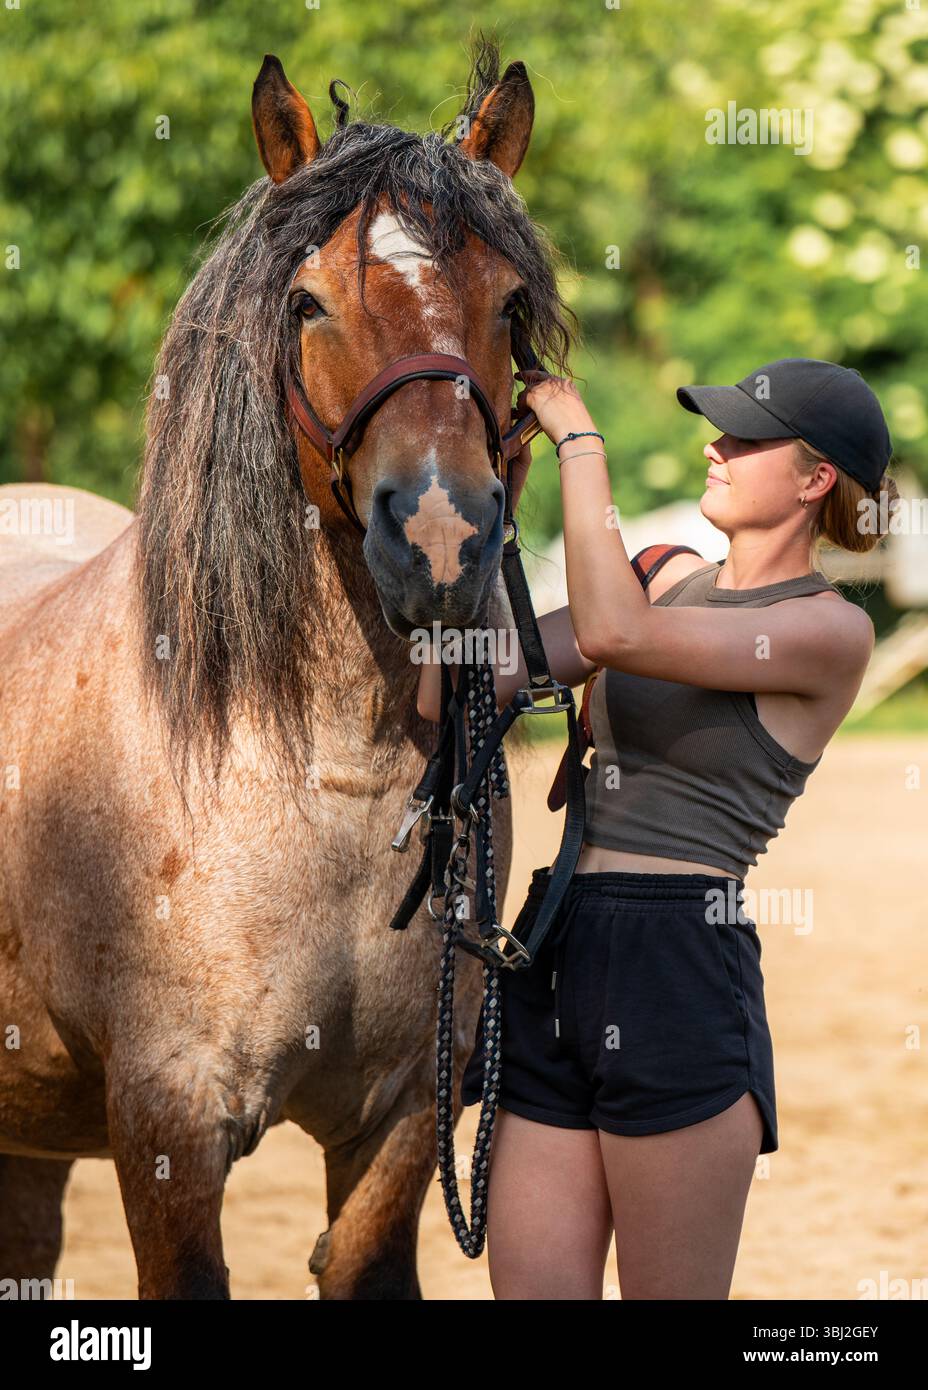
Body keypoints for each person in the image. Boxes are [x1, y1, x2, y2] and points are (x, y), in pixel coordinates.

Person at [417, 357, 897, 1299]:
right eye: (719, 431)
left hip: (678, 960)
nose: (715, 449)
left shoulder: (827, 631)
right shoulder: (662, 576)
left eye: (746, 440)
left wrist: (579, 441)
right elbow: (459, 682)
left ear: (815, 480)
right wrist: (476, 514)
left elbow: (614, 637)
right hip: (554, 940)